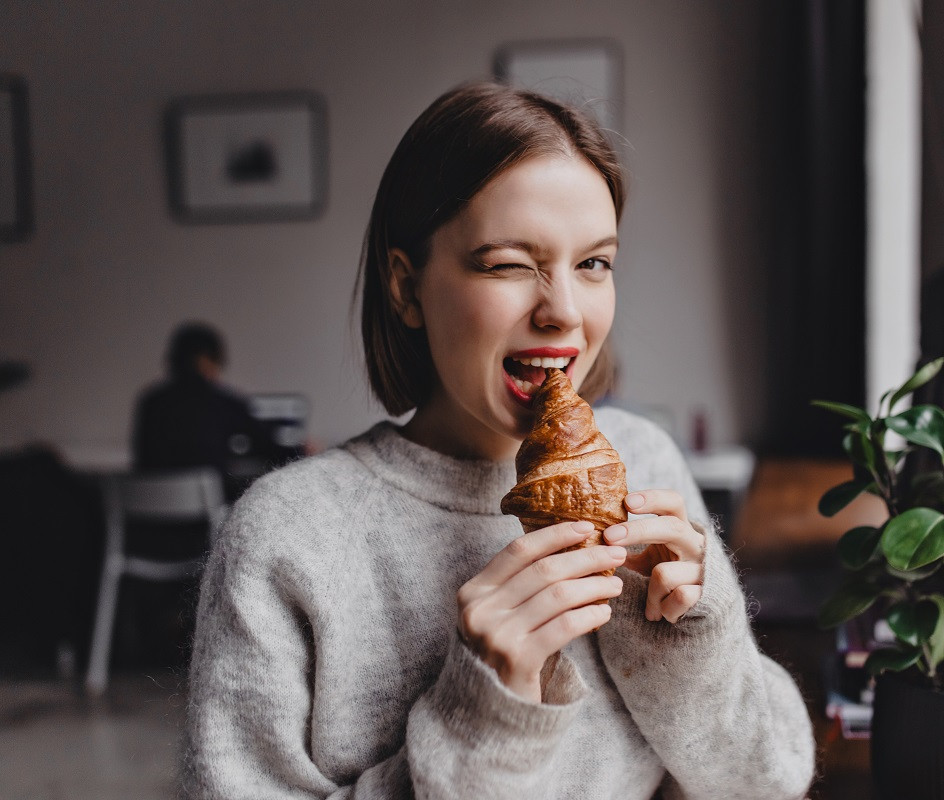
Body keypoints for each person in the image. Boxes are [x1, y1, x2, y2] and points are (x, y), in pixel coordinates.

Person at [183, 82, 815, 799]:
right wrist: (478, 725)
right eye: (509, 263)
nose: (564, 312)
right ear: (406, 288)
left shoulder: (644, 462)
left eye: (594, 263)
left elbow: (765, 783)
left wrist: (692, 645)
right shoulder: (289, 539)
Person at [132, 322, 290, 501]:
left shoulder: (150, 402)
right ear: (205, 360)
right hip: (206, 511)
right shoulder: (222, 402)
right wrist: (300, 450)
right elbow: (267, 446)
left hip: (147, 512)